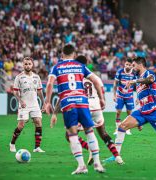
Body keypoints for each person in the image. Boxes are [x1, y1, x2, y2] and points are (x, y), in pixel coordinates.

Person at [51, 55, 124, 165]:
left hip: (83, 107)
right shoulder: (96, 77)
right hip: (96, 107)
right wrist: (102, 100)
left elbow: (64, 95)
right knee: (103, 134)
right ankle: (118, 157)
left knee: (69, 134)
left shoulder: (76, 76)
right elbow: (101, 90)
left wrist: (55, 113)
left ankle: (89, 148)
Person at [44, 45, 105, 175]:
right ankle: (97, 164)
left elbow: (49, 83)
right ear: (74, 53)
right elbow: (95, 81)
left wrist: (47, 102)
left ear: (62, 54)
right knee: (89, 131)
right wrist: (101, 98)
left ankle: (82, 166)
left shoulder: (57, 67)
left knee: (72, 134)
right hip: (82, 102)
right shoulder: (80, 65)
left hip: (68, 103)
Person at [9, 57, 45, 153]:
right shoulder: (19, 77)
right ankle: (12, 144)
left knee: (38, 122)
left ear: (32, 65)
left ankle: (37, 147)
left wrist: (44, 103)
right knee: (21, 125)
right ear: (23, 65)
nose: (27, 65)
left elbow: (40, 91)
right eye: (25, 64)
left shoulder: (37, 77)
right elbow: (15, 92)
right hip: (24, 104)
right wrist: (20, 101)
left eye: (29, 63)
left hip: (34, 104)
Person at [113, 58, 135, 135]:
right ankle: (117, 129)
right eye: (126, 64)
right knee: (118, 112)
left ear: (132, 66)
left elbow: (138, 84)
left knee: (129, 113)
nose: (127, 66)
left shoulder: (134, 73)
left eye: (129, 65)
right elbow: (115, 84)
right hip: (120, 95)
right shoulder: (120, 72)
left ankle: (127, 129)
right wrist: (114, 95)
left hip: (129, 96)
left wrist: (138, 97)